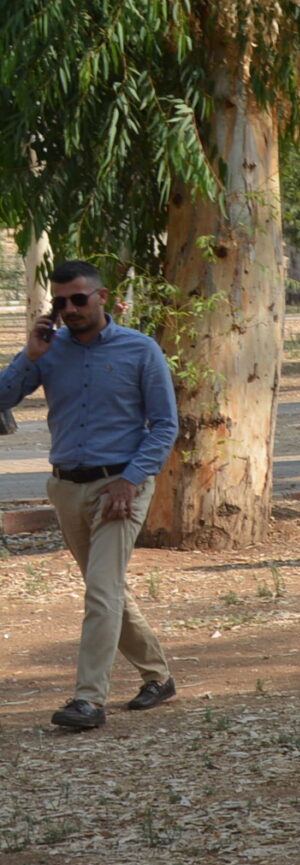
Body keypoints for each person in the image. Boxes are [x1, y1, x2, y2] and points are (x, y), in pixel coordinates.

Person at [0, 260, 179, 732]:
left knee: (101, 590)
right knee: (108, 588)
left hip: (120, 486)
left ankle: (88, 700)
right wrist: (29, 355)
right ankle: (159, 676)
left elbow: (165, 426)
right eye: (61, 302)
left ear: (102, 297)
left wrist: (130, 480)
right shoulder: (48, 350)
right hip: (66, 487)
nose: (70, 309)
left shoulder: (140, 349)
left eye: (79, 299)